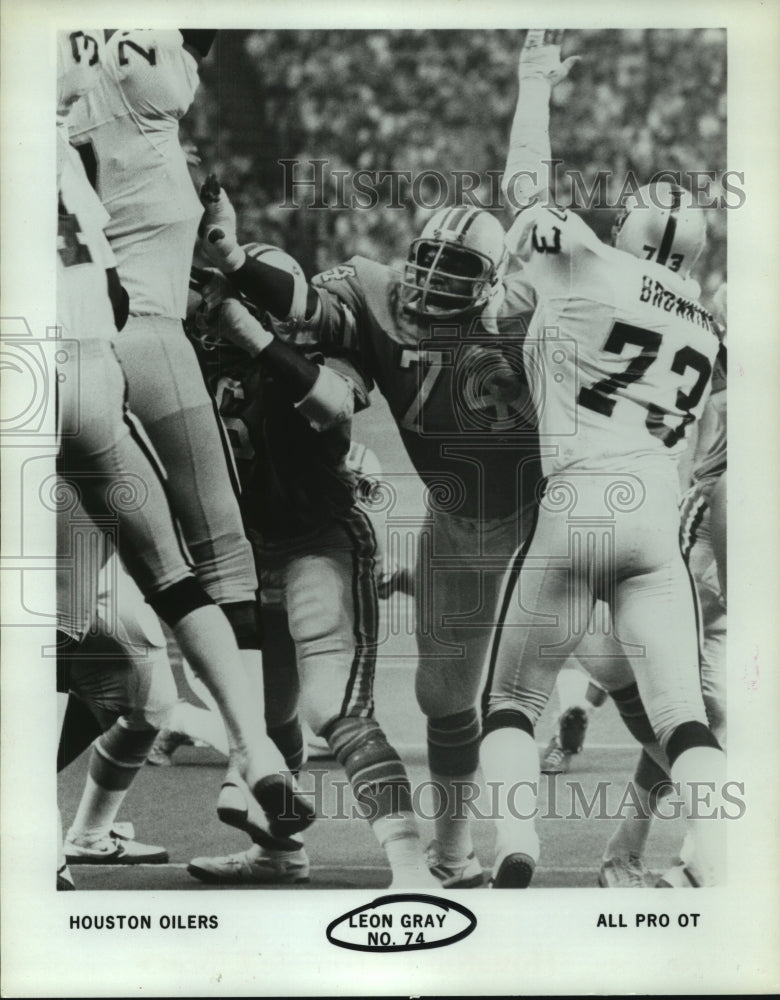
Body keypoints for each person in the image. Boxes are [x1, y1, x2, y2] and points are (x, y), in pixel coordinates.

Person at [56, 31, 312, 883]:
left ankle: (240, 765)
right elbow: (172, 46)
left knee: (108, 617)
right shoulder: (142, 69)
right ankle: (254, 759)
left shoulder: (67, 108)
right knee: (213, 560)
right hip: (129, 334)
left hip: (81, 332)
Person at [479, 33, 725, 888]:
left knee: (512, 700)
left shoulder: (587, 257)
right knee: (683, 719)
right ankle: (728, 860)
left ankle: (515, 843)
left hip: (579, 500)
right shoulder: (704, 321)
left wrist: (536, 84)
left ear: (630, 226)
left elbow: (522, 191)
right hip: (657, 525)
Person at [176, 260, 439, 887]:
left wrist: (260, 343)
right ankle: (280, 853)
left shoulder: (324, 353)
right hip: (248, 552)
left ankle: (410, 868)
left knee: (333, 709)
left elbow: (330, 404)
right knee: (264, 724)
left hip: (320, 542)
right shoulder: (200, 363)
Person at [599, 283, 727, 887]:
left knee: (687, 717)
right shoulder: (718, 395)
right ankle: (699, 864)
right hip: (701, 542)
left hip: (686, 538)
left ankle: (632, 850)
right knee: (699, 717)